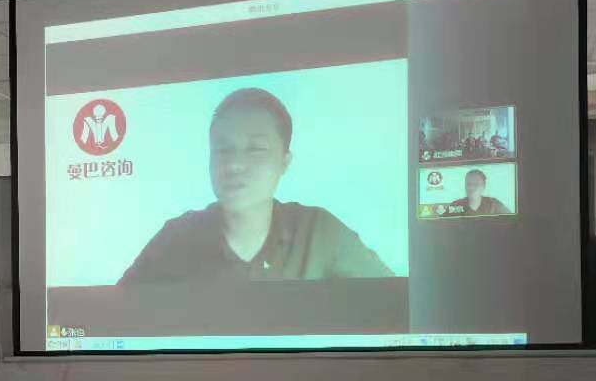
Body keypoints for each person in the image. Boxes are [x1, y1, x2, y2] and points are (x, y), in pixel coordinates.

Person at [119, 87, 392, 284]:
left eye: (256, 149)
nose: (235, 164)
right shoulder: (175, 239)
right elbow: (116, 318)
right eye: (223, 149)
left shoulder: (319, 234)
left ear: (284, 162)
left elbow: (393, 307)